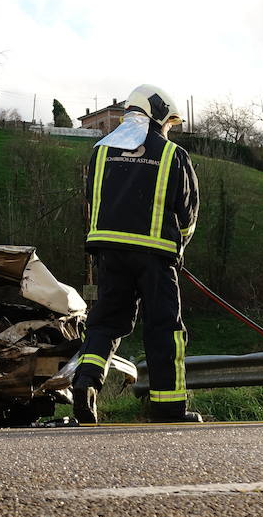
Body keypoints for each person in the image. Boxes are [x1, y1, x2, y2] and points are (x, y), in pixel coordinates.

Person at [72, 84, 201, 424]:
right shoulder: (174, 155)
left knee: (105, 322)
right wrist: (180, 247)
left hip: (108, 253)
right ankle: (168, 406)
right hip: (156, 257)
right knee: (163, 327)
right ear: (159, 115)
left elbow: (91, 199)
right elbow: (188, 215)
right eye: (169, 124)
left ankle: (85, 384)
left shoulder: (101, 151)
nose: (169, 129)